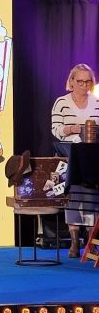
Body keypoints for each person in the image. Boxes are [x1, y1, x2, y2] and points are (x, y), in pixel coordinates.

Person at [51, 63, 99, 257]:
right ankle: (74, 241)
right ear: (71, 81)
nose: (84, 85)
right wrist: (72, 128)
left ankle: (91, 241)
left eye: (88, 81)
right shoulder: (61, 102)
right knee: (73, 196)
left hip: (92, 156)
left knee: (92, 197)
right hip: (69, 153)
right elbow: (55, 130)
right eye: (80, 81)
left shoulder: (96, 102)